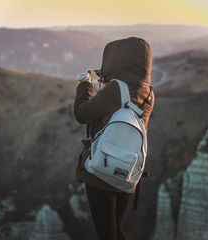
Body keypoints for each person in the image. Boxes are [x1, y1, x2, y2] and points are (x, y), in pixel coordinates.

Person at [73, 36, 155, 240]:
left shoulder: (117, 88)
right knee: (115, 230)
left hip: (102, 168)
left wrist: (84, 84)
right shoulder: (149, 93)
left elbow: (82, 114)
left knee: (106, 233)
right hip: (128, 170)